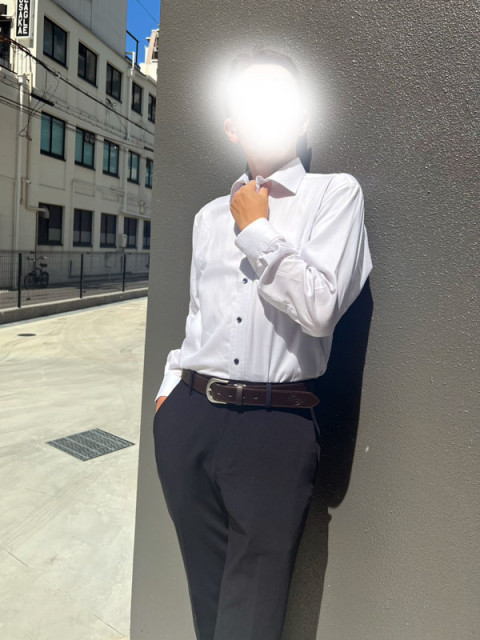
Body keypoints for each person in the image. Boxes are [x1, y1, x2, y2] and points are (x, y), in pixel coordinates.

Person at [153, 48, 373, 640]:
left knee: (252, 620)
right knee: (207, 603)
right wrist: (168, 397)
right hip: (189, 419)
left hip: (275, 428)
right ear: (232, 125)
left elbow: (320, 309)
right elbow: (197, 317)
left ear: (302, 119)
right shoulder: (207, 217)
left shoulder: (335, 195)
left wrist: (255, 228)